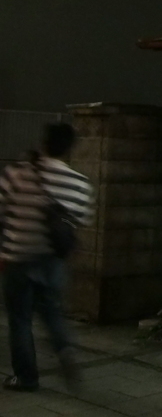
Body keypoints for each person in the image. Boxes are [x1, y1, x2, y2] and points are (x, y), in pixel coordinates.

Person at [0, 123, 94, 392]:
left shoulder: (17, 174)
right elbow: (82, 220)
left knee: (20, 320)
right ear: (69, 148)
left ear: (44, 143)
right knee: (52, 312)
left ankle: (26, 377)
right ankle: (65, 350)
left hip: (17, 257)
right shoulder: (79, 183)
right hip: (53, 261)